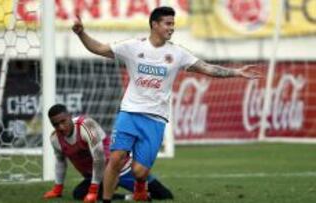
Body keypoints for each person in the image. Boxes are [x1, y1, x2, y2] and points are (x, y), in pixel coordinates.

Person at [72, 6, 262, 202]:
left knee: (139, 171)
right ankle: (106, 200)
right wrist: (81, 34)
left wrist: (237, 72)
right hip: (129, 112)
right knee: (116, 159)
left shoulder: (178, 53)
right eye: (168, 23)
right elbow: (98, 48)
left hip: (155, 118)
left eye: (173, 24)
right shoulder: (133, 47)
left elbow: (207, 68)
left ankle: (139, 187)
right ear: (154, 24)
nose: (172, 28)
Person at [43, 104, 173, 202]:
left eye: (63, 121)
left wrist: (93, 190)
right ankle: (127, 197)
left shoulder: (86, 125)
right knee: (79, 194)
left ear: (69, 117)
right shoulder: (55, 138)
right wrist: (57, 189)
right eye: (56, 124)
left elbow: (99, 159)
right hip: (97, 175)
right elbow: (60, 162)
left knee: (164, 195)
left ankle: (136, 189)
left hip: (120, 168)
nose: (60, 127)